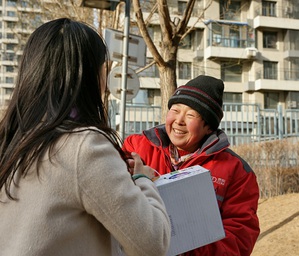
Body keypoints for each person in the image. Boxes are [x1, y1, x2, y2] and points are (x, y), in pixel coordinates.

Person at [0, 18, 171, 256]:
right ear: (89, 78)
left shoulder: (12, 139)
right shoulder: (83, 146)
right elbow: (152, 243)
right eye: (104, 71)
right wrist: (143, 179)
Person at [123, 75, 260, 256]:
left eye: (190, 115)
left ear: (209, 127)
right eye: (175, 110)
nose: (179, 120)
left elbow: (238, 241)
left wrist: (187, 246)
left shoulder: (237, 172)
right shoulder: (137, 147)